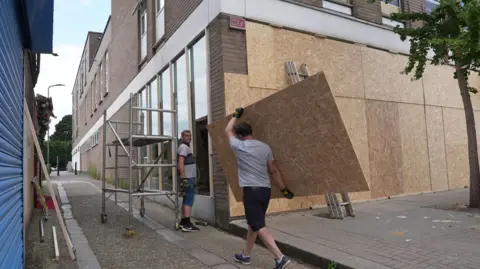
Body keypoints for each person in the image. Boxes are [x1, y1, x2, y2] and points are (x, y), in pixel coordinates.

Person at [225, 107, 295, 269]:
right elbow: (273, 170)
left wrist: (236, 115)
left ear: (240, 136)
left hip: (252, 192)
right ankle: (245, 256)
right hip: (265, 191)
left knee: (258, 224)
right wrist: (284, 189)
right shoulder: (265, 147)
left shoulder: (239, 146)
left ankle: (280, 258)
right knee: (253, 224)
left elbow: (227, 129)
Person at [177, 130, 200, 232]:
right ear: (182, 137)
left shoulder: (184, 147)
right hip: (188, 178)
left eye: (190, 136)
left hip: (189, 177)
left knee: (186, 200)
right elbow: (180, 163)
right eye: (186, 136)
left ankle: (183, 222)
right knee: (189, 200)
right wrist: (184, 178)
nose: (189, 138)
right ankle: (187, 224)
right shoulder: (184, 147)